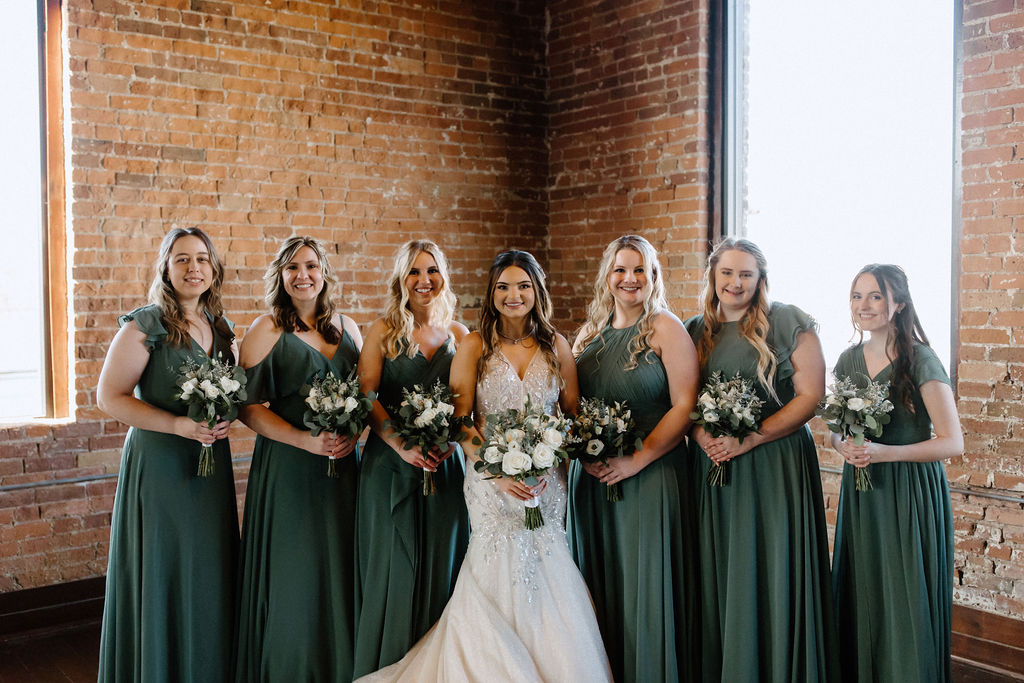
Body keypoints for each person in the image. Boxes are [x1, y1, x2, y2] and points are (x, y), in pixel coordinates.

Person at [358, 250, 611, 682]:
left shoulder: (557, 345)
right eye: (503, 287)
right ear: (491, 294)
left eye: (524, 286)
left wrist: (549, 460)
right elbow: (460, 421)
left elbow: (572, 417)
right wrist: (498, 470)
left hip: (545, 485)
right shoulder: (474, 344)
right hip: (490, 482)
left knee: (548, 565)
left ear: (537, 292)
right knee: (494, 566)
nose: (514, 296)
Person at [685, 237, 839, 682]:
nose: (735, 283)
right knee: (723, 569)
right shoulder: (695, 329)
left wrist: (749, 439)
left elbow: (811, 396)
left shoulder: (787, 321)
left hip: (774, 462)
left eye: (746, 274)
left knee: (772, 565)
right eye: (727, 273)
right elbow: (682, 398)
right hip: (714, 466)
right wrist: (702, 434)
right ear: (713, 277)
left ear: (760, 278)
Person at [96, 227, 239, 683]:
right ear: (166, 267)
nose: (193, 268)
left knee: (208, 569)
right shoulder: (145, 325)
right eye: (182, 259)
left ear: (213, 268)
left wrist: (224, 418)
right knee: (164, 569)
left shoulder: (221, 328)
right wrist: (178, 424)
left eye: (201, 259)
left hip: (209, 468)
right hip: (160, 468)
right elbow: (109, 397)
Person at [567, 235, 700, 683]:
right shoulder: (589, 335)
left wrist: (636, 461)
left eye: (640, 269)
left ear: (653, 277)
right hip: (593, 480)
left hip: (650, 475)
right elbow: (570, 405)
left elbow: (684, 406)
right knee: (599, 588)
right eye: (621, 270)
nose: (630, 279)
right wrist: (580, 455)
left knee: (645, 588)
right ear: (608, 277)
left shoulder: (666, 328)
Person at [233, 236, 363, 682]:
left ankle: (339, 664)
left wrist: (354, 432)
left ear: (324, 272)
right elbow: (246, 408)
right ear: (280, 276)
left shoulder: (348, 327)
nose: (302, 275)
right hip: (289, 466)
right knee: (296, 568)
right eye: (292, 268)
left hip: (343, 468)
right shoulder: (266, 329)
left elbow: (367, 396)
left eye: (310, 266)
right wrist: (304, 441)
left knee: (341, 562)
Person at [830, 264, 962, 683]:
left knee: (904, 597)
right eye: (857, 296)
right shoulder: (847, 359)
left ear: (898, 303)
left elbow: (952, 442)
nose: (864, 305)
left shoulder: (919, 359)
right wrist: (844, 447)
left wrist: (886, 452)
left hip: (908, 493)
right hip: (863, 492)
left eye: (875, 296)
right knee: (864, 591)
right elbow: (836, 433)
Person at [352, 240, 471, 676]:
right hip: (389, 465)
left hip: (443, 468)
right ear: (401, 280)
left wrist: (452, 442)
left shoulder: (459, 335)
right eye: (414, 272)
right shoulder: (383, 330)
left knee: (444, 566)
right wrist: (401, 444)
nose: (424, 281)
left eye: (432, 271)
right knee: (393, 570)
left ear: (444, 276)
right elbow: (366, 395)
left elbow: (465, 404)